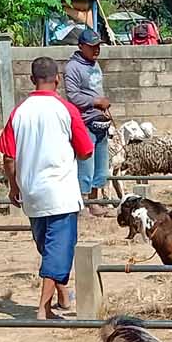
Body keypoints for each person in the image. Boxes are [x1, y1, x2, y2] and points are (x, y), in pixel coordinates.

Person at [0, 57, 95, 321]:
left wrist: (13, 185)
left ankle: (62, 296)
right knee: (59, 249)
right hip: (60, 192)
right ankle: (43, 308)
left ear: (31, 79)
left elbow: (7, 157)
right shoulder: (66, 109)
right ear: (58, 78)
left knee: (48, 247)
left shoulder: (19, 112)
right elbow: (86, 151)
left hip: (32, 192)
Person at [60, 28, 113, 216]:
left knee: (101, 164)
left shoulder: (95, 65)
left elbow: (95, 90)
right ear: (81, 46)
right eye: (92, 47)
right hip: (85, 123)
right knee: (86, 164)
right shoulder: (72, 68)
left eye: (98, 46)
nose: (96, 50)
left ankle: (95, 200)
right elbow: (73, 96)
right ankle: (82, 200)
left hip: (100, 120)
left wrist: (102, 107)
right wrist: (96, 102)